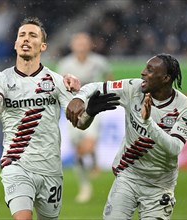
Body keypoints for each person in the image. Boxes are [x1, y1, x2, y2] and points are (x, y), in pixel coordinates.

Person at [0, 17, 117, 220]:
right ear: (15, 44)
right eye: (22, 35)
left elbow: (80, 122)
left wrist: (91, 112)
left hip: (50, 170)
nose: (26, 39)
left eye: (32, 35)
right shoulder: (1, 80)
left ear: (42, 46)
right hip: (16, 165)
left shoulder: (57, 81)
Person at [66, 54, 187, 219]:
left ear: (165, 78)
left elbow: (174, 148)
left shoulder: (184, 107)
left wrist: (147, 122)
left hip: (159, 185)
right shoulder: (133, 88)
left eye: (150, 70)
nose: (142, 73)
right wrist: (79, 98)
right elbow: (96, 86)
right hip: (128, 176)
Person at [57, 32, 114, 203]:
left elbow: (109, 78)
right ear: (72, 46)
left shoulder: (99, 62)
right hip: (73, 110)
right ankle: (85, 185)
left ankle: (93, 154)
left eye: (84, 43)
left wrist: (107, 94)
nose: (81, 46)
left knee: (86, 146)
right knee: (78, 151)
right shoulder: (64, 64)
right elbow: (61, 86)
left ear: (91, 45)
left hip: (93, 109)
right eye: (78, 43)